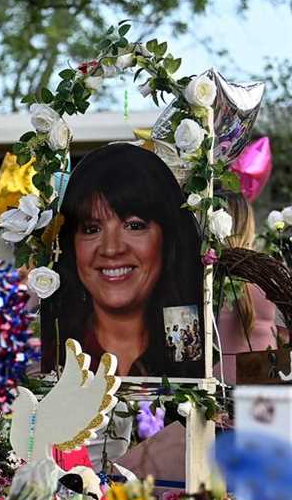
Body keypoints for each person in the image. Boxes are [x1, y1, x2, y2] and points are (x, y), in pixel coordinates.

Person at [42, 143, 205, 378]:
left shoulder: (202, 352)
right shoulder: (45, 357)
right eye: (91, 229)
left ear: (168, 238)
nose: (111, 248)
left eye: (134, 226)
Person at [219, 195, 286, 383]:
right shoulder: (270, 275)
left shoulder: (205, 274)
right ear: (249, 225)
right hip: (263, 385)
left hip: (216, 385)